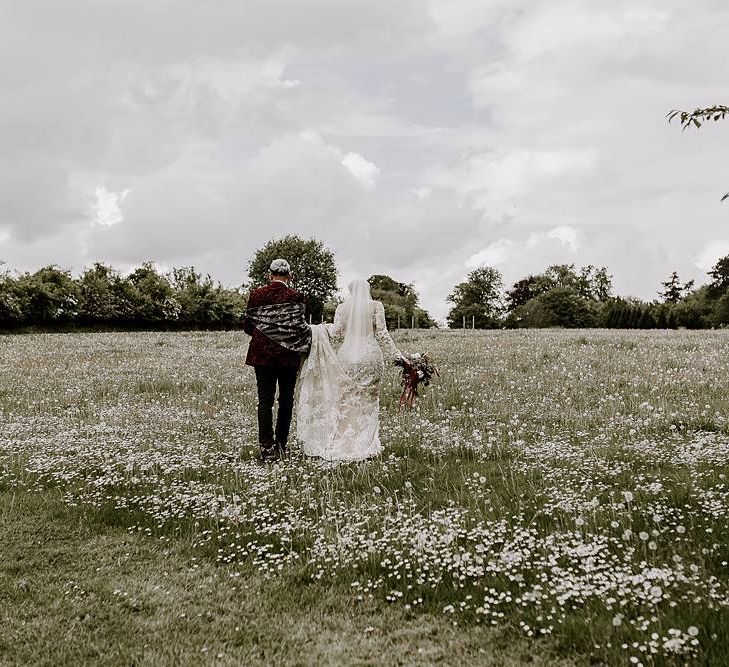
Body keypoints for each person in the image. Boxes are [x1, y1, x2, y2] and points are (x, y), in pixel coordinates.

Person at [296, 278, 408, 461]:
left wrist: (318, 329)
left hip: (347, 358)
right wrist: (399, 357)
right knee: (369, 401)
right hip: (370, 358)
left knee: (346, 400)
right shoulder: (376, 306)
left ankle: (344, 441)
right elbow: (382, 334)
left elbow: (336, 332)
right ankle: (366, 444)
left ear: (351, 291)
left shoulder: (342, 308)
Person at [242, 259, 311, 463]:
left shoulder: (256, 295)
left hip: (262, 356)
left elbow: (248, 326)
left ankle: (266, 448)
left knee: (265, 401)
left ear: (269, 274)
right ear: (289, 276)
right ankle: (281, 445)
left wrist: (266, 334)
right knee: (286, 401)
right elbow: (300, 327)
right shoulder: (297, 296)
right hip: (288, 355)